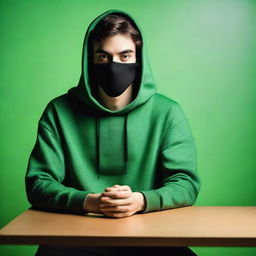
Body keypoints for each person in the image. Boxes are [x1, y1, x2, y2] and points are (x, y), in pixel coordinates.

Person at [25, 9, 201, 256]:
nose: (114, 65)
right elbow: (38, 183)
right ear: (90, 61)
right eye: (103, 57)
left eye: (125, 56)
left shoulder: (167, 112)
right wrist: (91, 201)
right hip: (73, 237)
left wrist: (140, 200)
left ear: (138, 59)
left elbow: (186, 184)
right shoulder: (59, 111)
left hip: (152, 236)